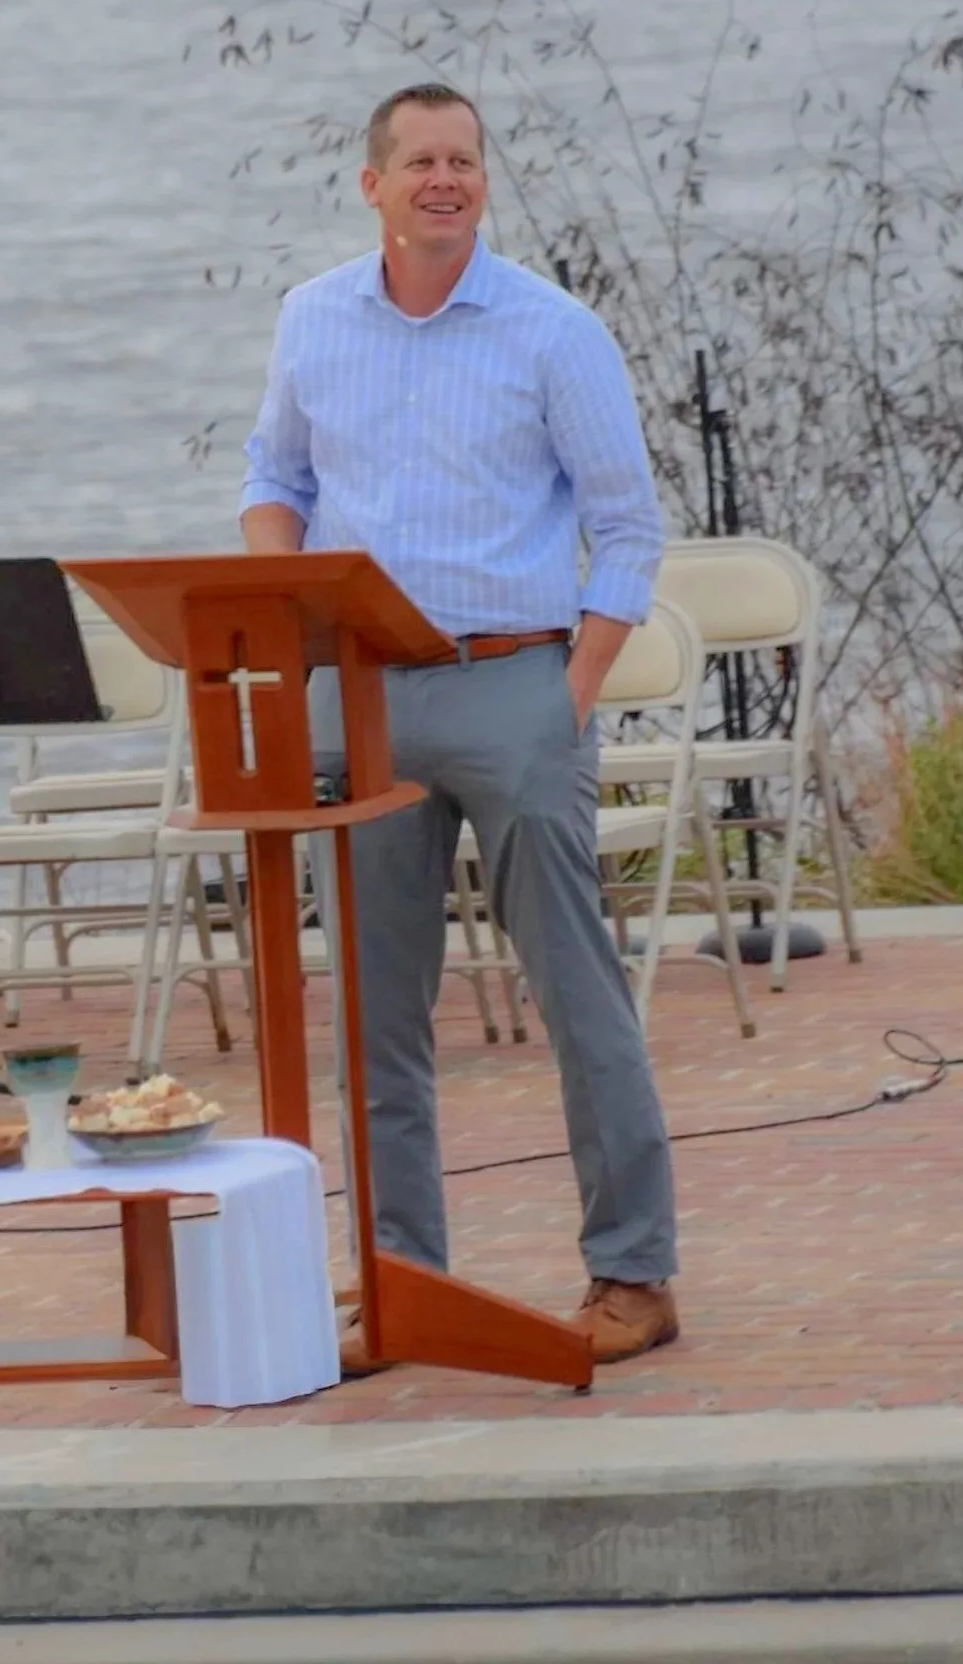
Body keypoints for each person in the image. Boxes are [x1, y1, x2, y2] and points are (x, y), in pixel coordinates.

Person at [239, 81, 677, 1364]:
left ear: (484, 180)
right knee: (375, 1011)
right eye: (420, 160)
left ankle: (634, 1271)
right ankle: (398, 1279)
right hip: (357, 692)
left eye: (465, 160)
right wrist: (283, 596)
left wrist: (570, 692)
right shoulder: (312, 318)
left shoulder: (554, 330)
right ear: (370, 182)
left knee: (576, 991)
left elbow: (629, 526)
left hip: (515, 684)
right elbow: (276, 476)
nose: (446, 178)